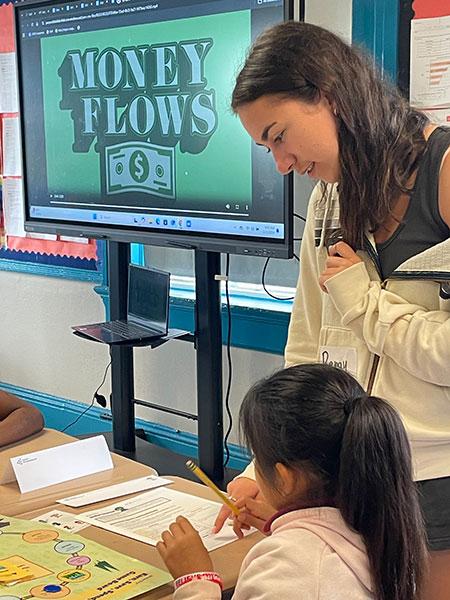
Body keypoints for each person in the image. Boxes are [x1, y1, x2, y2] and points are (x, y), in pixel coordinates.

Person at [213, 21, 450, 599]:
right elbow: (305, 350)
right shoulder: (331, 195)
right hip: (348, 472)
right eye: (267, 148)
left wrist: (366, 304)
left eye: (278, 135)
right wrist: (264, 469)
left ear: (330, 95)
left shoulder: (443, 173)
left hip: (436, 475)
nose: (281, 163)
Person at [157, 364, 427, 600]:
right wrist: (291, 525)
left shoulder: (288, 570)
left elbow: (308, 577)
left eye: (256, 457)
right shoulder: (383, 529)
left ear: (285, 479)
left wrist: (195, 581)